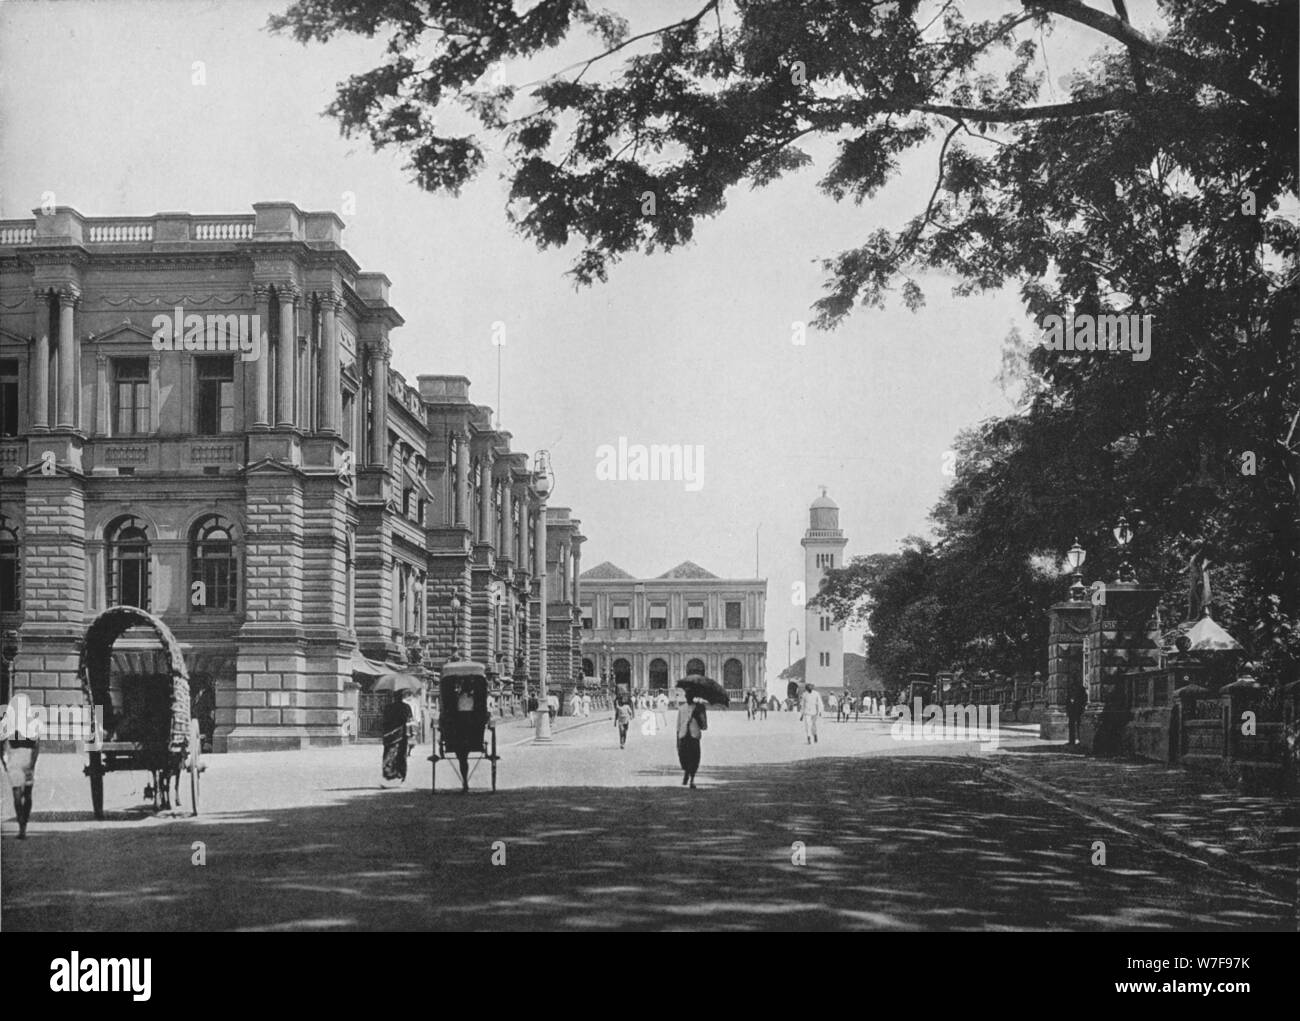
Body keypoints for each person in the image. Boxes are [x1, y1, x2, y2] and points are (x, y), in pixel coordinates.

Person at [0, 700, 40, 839]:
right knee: (27, 795)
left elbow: (1, 745)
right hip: (26, 759)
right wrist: (33, 763)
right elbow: (36, 746)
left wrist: (4, 762)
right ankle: (23, 827)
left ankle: (21, 826)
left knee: (18, 794)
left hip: (15, 760)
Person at [676, 695, 708, 789]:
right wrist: (677, 740)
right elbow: (678, 726)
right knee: (683, 758)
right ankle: (687, 772)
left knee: (695, 759)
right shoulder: (682, 708)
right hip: (684, 736)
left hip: (694, 736)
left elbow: (704, 726)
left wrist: (700, 714)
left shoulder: (699, 708)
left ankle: (692, 779)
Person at [381, 693, 412, 783]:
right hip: (401, 734)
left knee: (389, 754)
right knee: (401, 755)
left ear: (393, 697)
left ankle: (389, 774)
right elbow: (409, 719)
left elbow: (383, 720)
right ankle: (400, 774)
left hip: (389, 735)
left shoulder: (388, 707)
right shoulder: (406, 707)